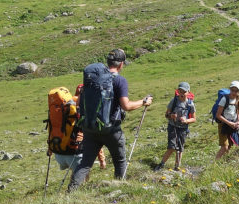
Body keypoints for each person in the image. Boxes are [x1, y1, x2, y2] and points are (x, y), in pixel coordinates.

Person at [67, 48, 153, 191]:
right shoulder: (119, 80)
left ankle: (71, 193)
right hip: (111, 129)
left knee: (85, 163)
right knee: (119, 161)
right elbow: (126, 106)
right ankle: (119, 190)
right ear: (121, 65)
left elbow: (79, 102)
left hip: (90, 127)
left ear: (108, 62)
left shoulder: (93, 79)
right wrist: (143, 102)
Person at [156, 81, 195, 171]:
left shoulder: (190, 104)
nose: (181, 94)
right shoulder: (173, 101)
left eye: (184, 92)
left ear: (188, 92)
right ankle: (161, 164)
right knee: (171, 147)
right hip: (172, 127)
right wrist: (171, 116)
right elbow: (166, 115)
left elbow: (194, 119)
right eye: (180, 91)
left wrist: (186, 120)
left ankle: (177, 167)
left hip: (183, 129)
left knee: (180, 148)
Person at [215, 80, 239, 159]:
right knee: (225, 147)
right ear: (229, 89)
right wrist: (229, 123)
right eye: (232, 90)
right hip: (223, 125)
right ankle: (214, 164)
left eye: (236, 91)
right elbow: (218, 115)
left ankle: (224, 162)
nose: (234, 92)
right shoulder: (224, 99)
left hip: (233, 125)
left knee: (230, 145)